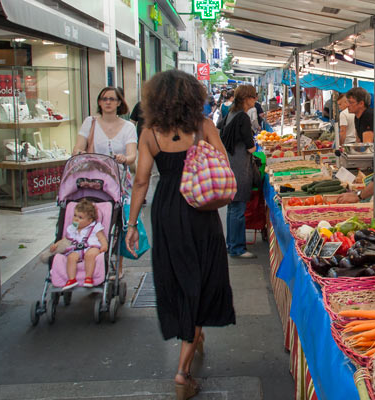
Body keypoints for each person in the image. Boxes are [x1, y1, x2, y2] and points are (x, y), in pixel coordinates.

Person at [125, 70, 236, 400]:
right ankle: (182, 372)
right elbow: (224, 165)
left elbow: (141, 181)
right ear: (193, 96)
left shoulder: (149, 132)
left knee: (178, 277)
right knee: (201, 279)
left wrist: (132, 225)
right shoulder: (203, 126)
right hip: (200, 210)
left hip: (167, 211)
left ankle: (192, 336)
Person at [220, 85, 258, 259]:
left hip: (230, 164)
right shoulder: (242, 117)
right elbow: (250, 147)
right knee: (238, 208)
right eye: (253, 97)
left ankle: (231, 244)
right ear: (246, 98)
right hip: (239, 166)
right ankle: (237, 248)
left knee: (232, 207)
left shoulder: (231, 113)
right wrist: (254, 147)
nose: (255, 100)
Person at [72, 87, 137, 168]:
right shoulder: (89, 122)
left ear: (119, 102)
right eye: (104, 99)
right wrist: (80, 153)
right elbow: (77, 149)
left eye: (112, 99)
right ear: (99, 102)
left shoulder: (129, 127)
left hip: (119, 177)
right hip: (94, 176)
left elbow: (132, 156)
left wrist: (124, 159)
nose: (108, 102)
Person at [54, 199, 108, 290]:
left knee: (90, 255)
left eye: (80, 217)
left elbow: (102, 237)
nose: (75, 219)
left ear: (90, 220)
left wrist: (104, 245)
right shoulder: (72, 228)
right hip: (76, 249)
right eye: (75, 215)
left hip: (91, 247)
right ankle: (71, 279)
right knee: (71, 257)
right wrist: (57, 245)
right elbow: (66, 239)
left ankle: (88, 277)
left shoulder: (95, 226)